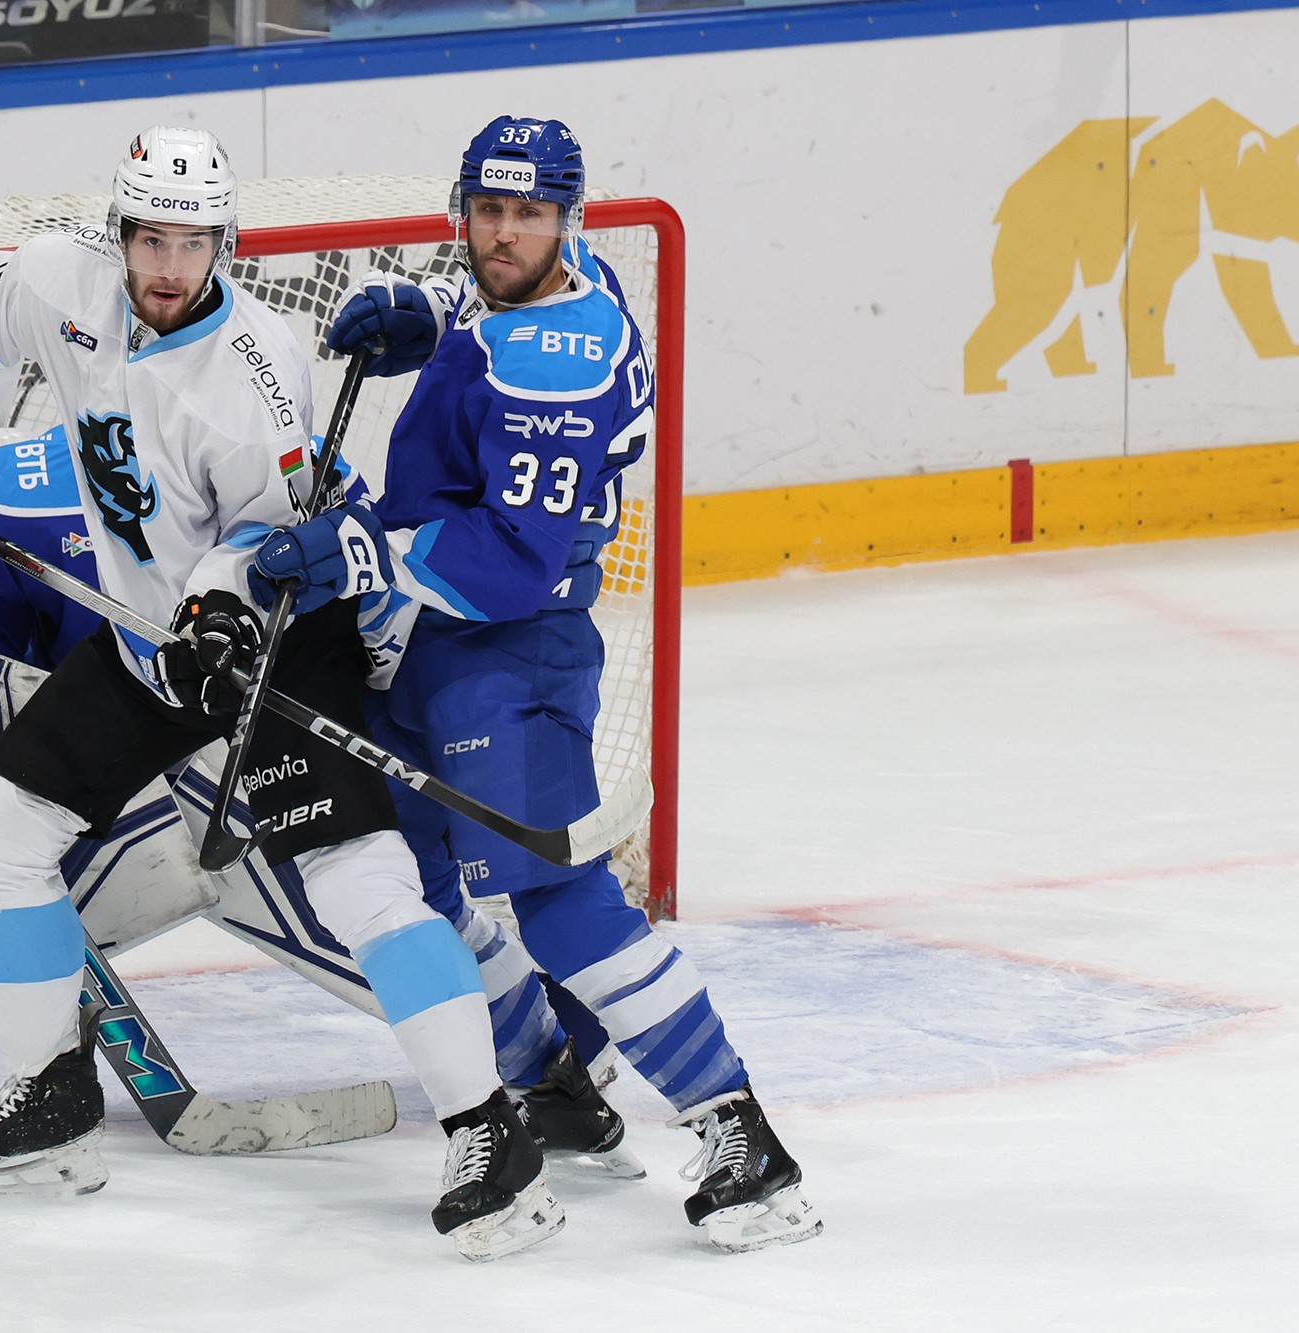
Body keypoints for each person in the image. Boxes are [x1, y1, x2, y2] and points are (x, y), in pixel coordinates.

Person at [0, 125, 564, 1260]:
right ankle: (51, 1097)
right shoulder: (59, 280)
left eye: (193, 243)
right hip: (149, 639)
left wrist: (224, 608)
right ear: (119, 231)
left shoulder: (254, 372)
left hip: (275, 639)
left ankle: (490, 1134)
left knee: (360, 884)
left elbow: (270, 540)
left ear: (224, 243)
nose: (170, 266)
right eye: (151, 238)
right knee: (1, 832)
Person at [252, 115, 824, 1253]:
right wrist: (432, 315)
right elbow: (495, 323)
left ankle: (739, 1134)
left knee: (557, 900)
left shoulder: (558, 366)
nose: (503, 233)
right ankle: (551, 1083)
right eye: (488, 211)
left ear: (568, 218)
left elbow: (510, 559)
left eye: (528, 215)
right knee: (412, 873)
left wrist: (358, 551)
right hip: (423, 644)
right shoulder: (544, 284)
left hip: (505, 653)